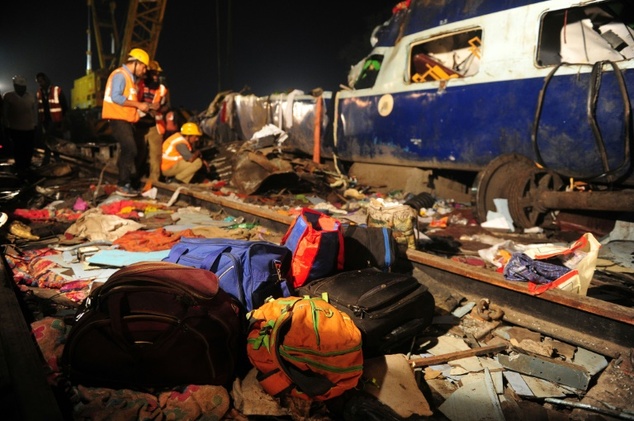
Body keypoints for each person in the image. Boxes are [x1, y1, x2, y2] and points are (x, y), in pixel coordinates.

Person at [102, 47, 158, 197]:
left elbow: (127, 103)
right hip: (117, 118)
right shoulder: (121, 75)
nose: (144, 70)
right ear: (136, 63)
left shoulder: (130, 80)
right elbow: (116, 97)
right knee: (130, 149)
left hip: (125, 119)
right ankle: (122, 184)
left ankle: (127, 182)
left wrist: (145, 108)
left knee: (132, 150)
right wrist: (139, 105)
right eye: (144, 66)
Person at [136, 60, 170, 183]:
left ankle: (154, 180)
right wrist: (148, 107)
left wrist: (160, 108)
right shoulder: (138, 85)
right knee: (140, 153)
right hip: (139, 125)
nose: (156, 76)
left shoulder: (162, 89)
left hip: (155, 126)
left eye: (157, 74)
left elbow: (167, 105)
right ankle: (136, 177)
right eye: (153, 74)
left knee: (156, 155)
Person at [1, 75, 38, 178]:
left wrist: (35, 124)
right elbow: (5, 113)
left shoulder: (31, 96)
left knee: (28, 149)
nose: (22, 89)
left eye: (23, 87)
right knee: (18, 149)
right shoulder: (9, 97)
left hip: (29, 128)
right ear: (15, 86)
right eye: (19, 86)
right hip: (15, 128)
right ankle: (20, 167)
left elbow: (34, 112)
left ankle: (27, 165)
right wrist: (6, 126)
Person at [35, 72, 68, 164]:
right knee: (49, 140)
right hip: (45, 121)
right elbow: (39, 108)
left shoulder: (57, 90)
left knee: (52, 140)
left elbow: (64, 106)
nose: (40, 83)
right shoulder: (39, 93)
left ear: (45, 80)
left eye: (41, 81)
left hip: (56, 121)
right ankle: (53, 159)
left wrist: (63, 120)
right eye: (38, 82)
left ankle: (51, 159)